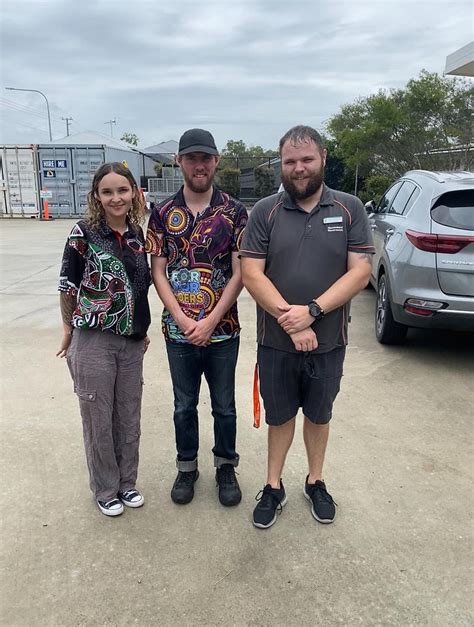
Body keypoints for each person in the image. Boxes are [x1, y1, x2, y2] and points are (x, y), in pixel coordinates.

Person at [240, 125, 374, 529]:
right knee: (280, 416)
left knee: (319, 413)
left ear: (323, 158)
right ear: (281, 164)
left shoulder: (350, 208)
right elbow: (251, 273)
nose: (298, 169)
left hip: (330, 340)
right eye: (290, 162)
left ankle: (315, 481)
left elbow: (361, 272)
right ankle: (273, 485)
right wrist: (292, 321)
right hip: (276, 342)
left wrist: (313, 311)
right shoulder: (265, 212)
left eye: (306, 160)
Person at [146, 128, 248, 507]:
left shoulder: (235, 213)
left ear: (216, 161)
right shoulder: (160, 214)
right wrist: (185, 321)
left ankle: (225, 466)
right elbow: (158, 271)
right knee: (183, 406)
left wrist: (209, 321)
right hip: (178, 334)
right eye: (191, 158)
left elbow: (241, 273)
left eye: (205, 158)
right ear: (179, 162)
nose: (199, 165)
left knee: (224, 406)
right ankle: (186, 467)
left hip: (223, 332)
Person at [57, 162, 151, 517]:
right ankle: (106, 488)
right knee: (98, 416)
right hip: (94, 339)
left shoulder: (137, 236)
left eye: (122, 190)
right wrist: (68, 331)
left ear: (134, 193)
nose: (116, 198)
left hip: (131, 343)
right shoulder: (83, 233)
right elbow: (68, 286)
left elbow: (140, 289)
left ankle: (127, 483)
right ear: (96, 195)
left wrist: (139, 328)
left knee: (128, 414)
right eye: (107, 191)